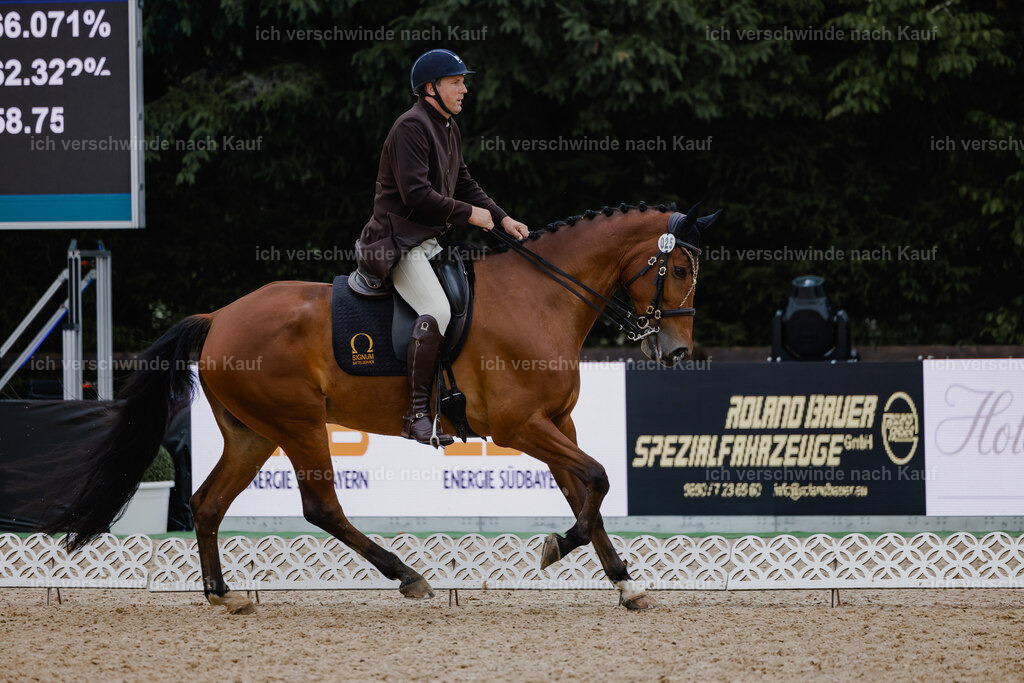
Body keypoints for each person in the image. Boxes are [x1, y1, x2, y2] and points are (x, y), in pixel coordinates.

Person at [357, 49, 529, 447]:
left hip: (429, 243)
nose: (464, 89)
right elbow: (416, 195)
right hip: (396, 244)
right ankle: (416, 414)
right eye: (456, 82)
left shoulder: (448, 126)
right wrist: (469, 215)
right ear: (430, 88)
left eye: (463, 82)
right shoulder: (411, 127)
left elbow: (464, 182)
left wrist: (501, 217)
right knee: (436, 309)